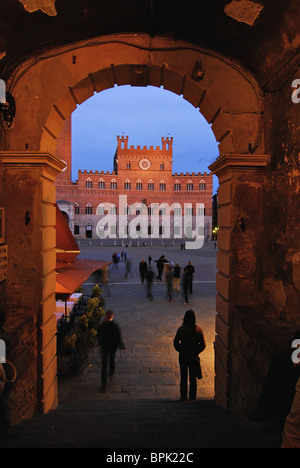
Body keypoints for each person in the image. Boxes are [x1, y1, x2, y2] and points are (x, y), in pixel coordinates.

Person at [173, 310, 206, 401]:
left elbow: (176, 343)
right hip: (193, 358)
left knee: (183, 377)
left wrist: (181, 350)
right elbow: (203, 345)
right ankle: (192, 398)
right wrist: (196, 352)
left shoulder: (181, 330)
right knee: (193, 378)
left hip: (183, 357)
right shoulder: (198, 330)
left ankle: (183, 397)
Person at [97, 310, 125, 392]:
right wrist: (121, 345)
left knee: (105, 364)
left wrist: (100, 343)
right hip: (111, 347)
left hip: (106, 347)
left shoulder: (102, 326)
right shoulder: (114, 326)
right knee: (110, 361)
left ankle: (104, 384)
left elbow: (99, 336)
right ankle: (110, 374)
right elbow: (118, 336)